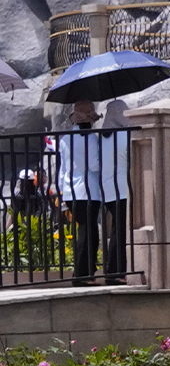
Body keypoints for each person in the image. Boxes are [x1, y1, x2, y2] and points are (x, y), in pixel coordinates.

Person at [52, 100, 132, 284]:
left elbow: (62, 168)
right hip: (88, 190)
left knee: (84, 229)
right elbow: (95, 165)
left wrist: (62, 191)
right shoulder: (90, 139)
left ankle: (83, 273)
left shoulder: (65, 139)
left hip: (70, 191)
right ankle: (83, 274)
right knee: (90, 232)